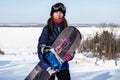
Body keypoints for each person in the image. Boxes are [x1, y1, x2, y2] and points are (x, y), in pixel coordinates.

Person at [37, 2, 74, 80]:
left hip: (63, 65)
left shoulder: (67, 30)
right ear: (52, 14)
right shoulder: (47, 29)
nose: (58, 14)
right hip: (49, 65)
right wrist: (46, 64)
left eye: (61, 12)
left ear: (64, 14)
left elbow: (72, 46)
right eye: (56, 12)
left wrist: (70, 55)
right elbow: (41, 48)